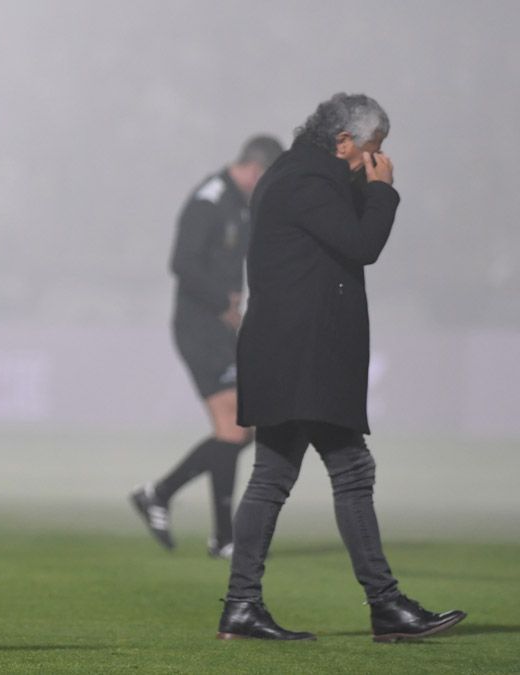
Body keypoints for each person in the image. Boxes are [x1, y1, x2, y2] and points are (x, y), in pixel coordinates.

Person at [216, 93, 466, 642]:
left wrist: (362, 183)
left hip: (289, 350)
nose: (376, 160)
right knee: (346, 473)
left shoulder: (298, 171)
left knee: (276, 476)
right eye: (372, 149)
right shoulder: (308, 179)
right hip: (303, 354)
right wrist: (382, 190)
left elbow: (336, 232)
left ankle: (243, 607)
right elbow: (361, 243)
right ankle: (385, 606)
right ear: (345, 140)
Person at [130, 135, 283, 560]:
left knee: (240, 429)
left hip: (221, 330)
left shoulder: (240, 203)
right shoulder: (209, 199)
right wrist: (222, 302)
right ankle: (221, 536)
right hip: (199, 328)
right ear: (255, 170)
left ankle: (162, 496)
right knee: (236, 426)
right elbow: (181, 262)